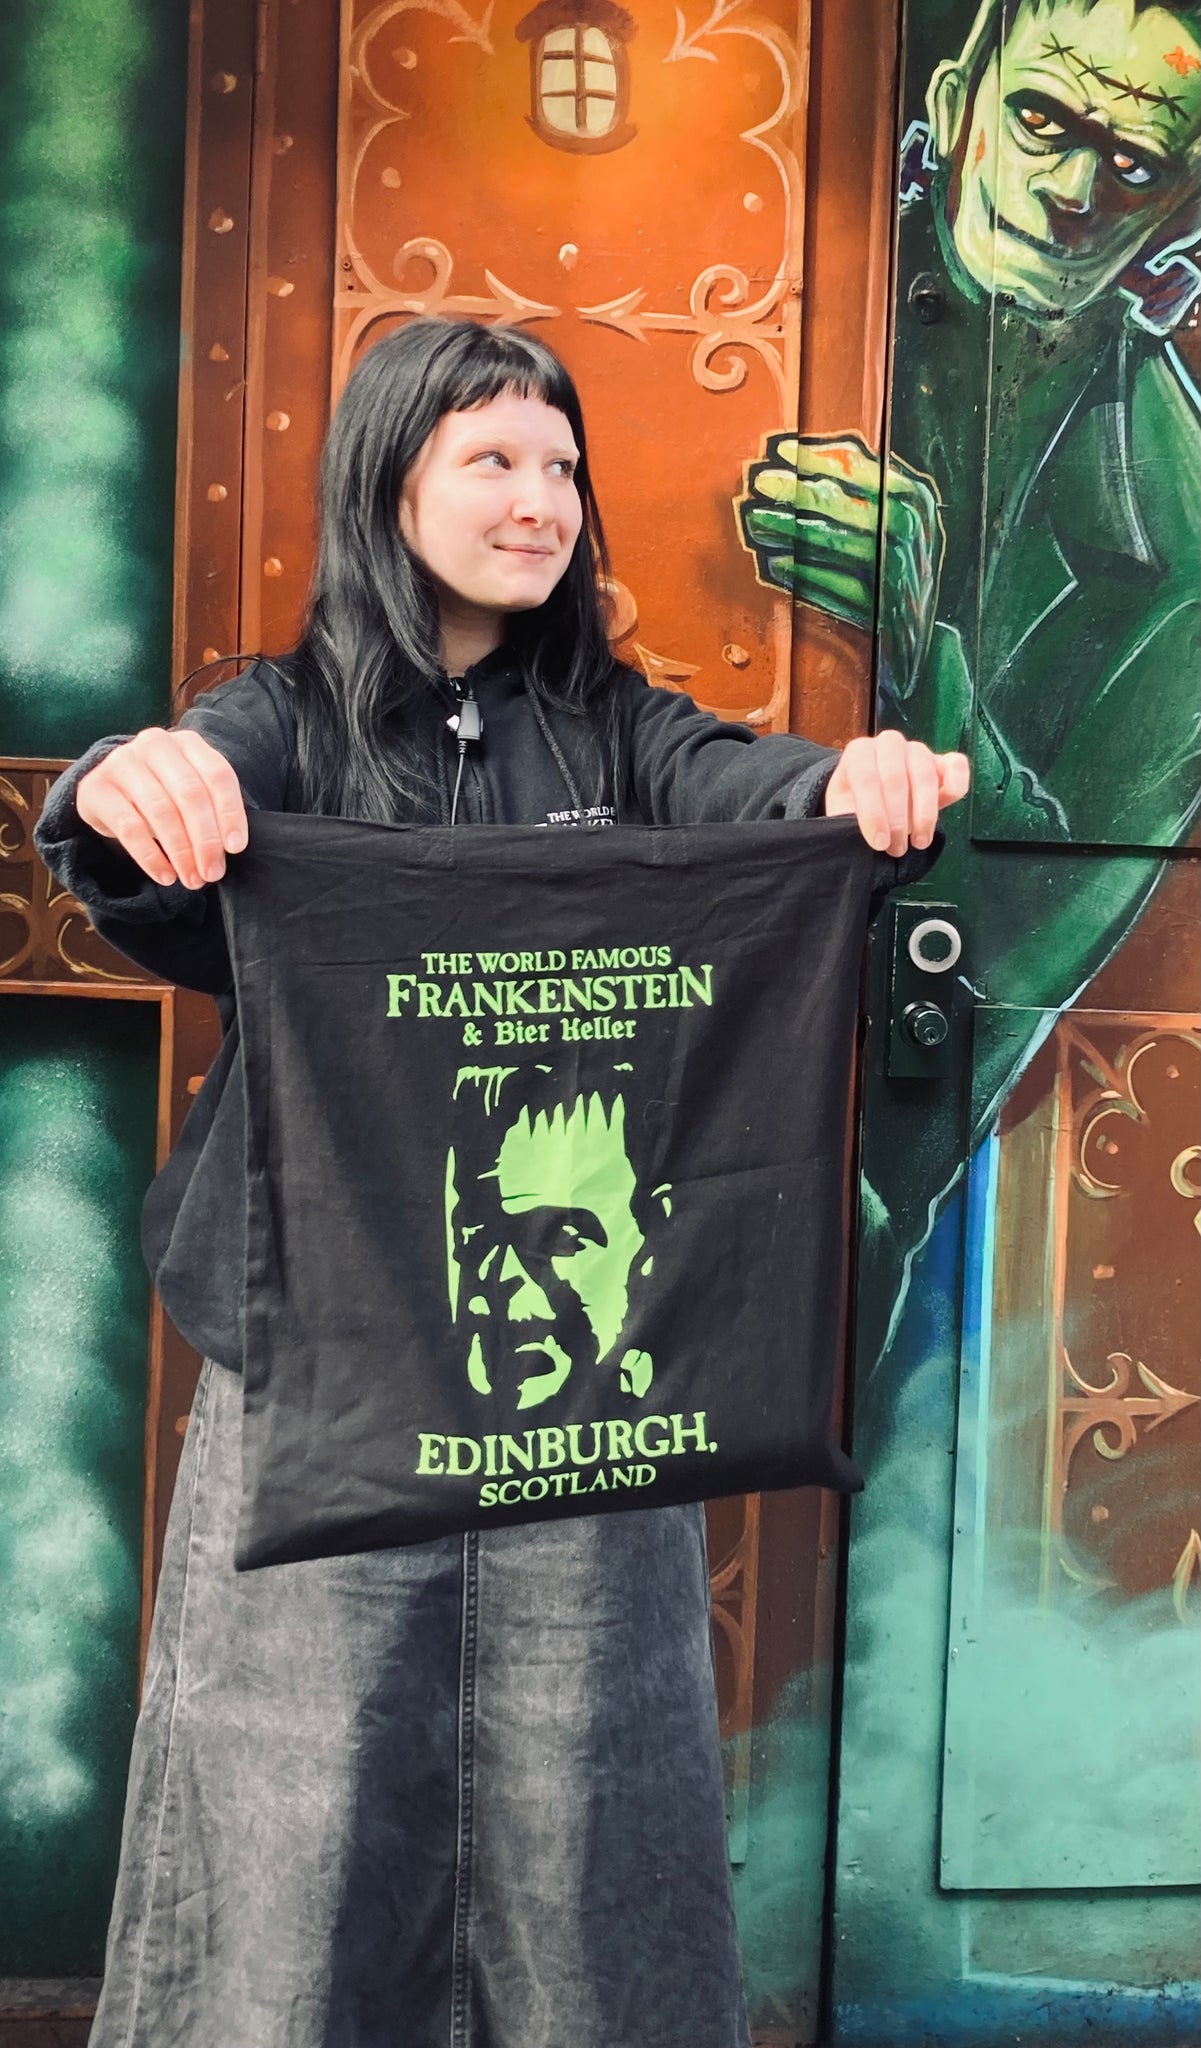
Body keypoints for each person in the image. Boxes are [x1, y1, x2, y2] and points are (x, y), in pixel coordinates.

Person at [34, 316, 969, 2048]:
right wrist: (117, 786)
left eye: (561, 466)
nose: (540, 499)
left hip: (588, 1369)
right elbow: (146, 837)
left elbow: (758, 792)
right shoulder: (279, 718)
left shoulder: (625, 734)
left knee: (590, 1814)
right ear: (388, 484)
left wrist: (856, 782)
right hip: (328, 1358)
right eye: (491, 460)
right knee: (293, 1812)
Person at [737, 0, 1201, 1363]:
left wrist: (919, 640)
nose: (1075, 191)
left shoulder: (1180, 530)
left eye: (1134, 163)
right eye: (1045, 118)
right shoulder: (773, 284)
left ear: (1176, 207)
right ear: (950, 106)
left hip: (841, 1160)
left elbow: (1030, 934)